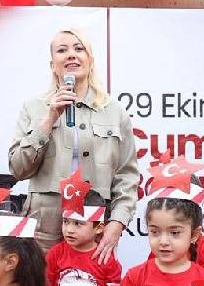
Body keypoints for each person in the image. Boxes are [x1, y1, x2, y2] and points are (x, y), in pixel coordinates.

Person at [8, 29, 139, 262]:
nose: (71, 55)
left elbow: (126, 176)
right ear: (52, 65)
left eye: (79, 49)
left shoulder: (114, 111)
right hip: (44, 224)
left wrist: (117, 222)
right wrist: (48, 121)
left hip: (94, 223)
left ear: (91, 61)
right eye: (62, 50)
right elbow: (18, 168)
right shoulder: (33, 107)